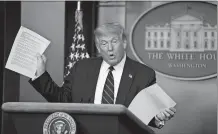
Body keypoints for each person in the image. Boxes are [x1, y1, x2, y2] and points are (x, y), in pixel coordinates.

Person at [29, 22, 176, 129]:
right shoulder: (82, 68)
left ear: (124, 43)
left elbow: (144, 114)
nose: (110, 48)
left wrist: (157, 117)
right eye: (104, 44)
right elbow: (63, 100)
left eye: (114, 42)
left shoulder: (144, 74)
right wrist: (41, 75)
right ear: (98, 47)